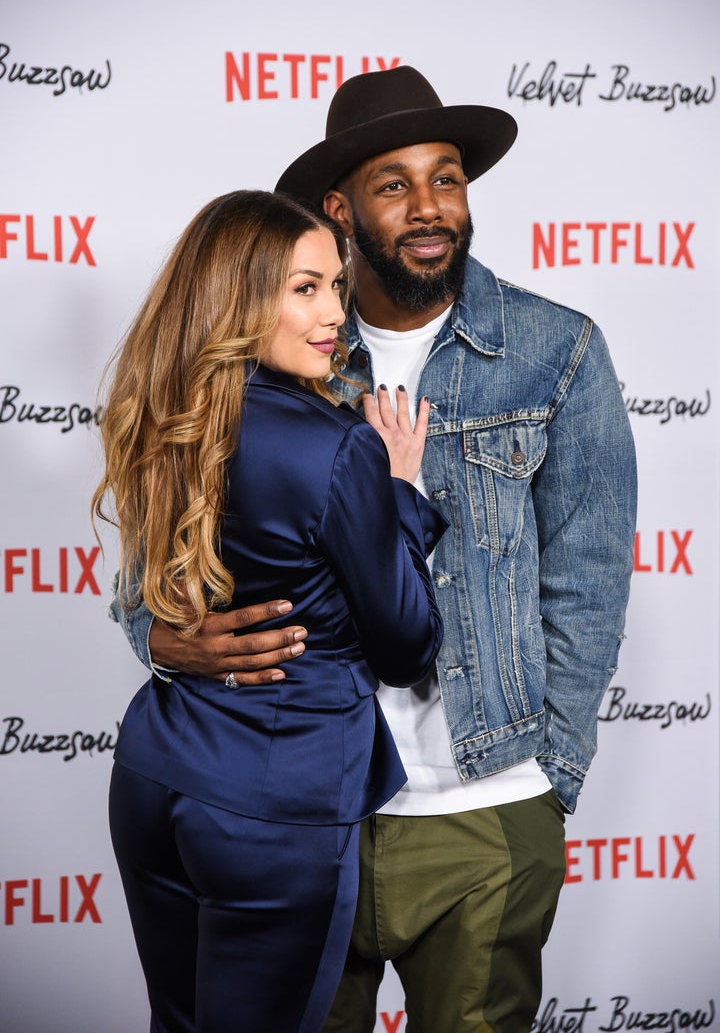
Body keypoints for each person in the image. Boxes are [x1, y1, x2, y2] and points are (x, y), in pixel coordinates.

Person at [115, 68, 638, 1031]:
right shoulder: (279, 345)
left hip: (487, 809)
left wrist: (549, 775)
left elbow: (590, 577)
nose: (431, 205)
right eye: (395, 184)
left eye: (448, 178)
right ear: (340, 208)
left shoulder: (556, 350)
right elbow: (153, 558)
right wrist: (162, 637)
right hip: (309, 811)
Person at [93, 188, 446, 1033]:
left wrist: (167, 643)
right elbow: (406, 641)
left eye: (336, 283)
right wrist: (401, 490)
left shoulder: (163, 416)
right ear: (239, 298)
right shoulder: (340, 446)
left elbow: (142, 593)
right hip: (275, 807)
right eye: (306, 288)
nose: (334, 314)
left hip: (155, 780)